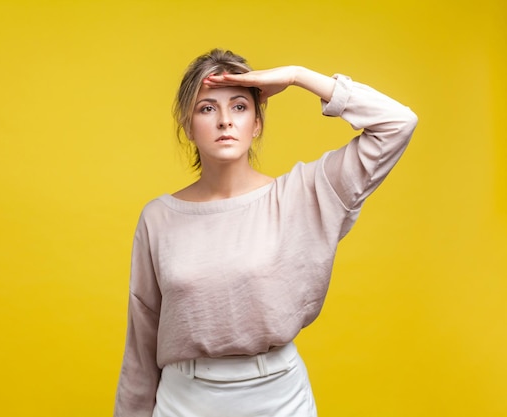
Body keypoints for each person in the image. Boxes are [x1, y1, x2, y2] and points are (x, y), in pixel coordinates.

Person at [113, 48, 418, 417]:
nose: (225, 120)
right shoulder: (158, 218)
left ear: (257, 123)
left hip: (278, 399)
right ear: (188, 125)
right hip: (183, 402)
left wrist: (296, 75)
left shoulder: (303, 195)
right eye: (207, 108)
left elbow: (397, 123)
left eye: (240, 106)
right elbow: (141, 343)